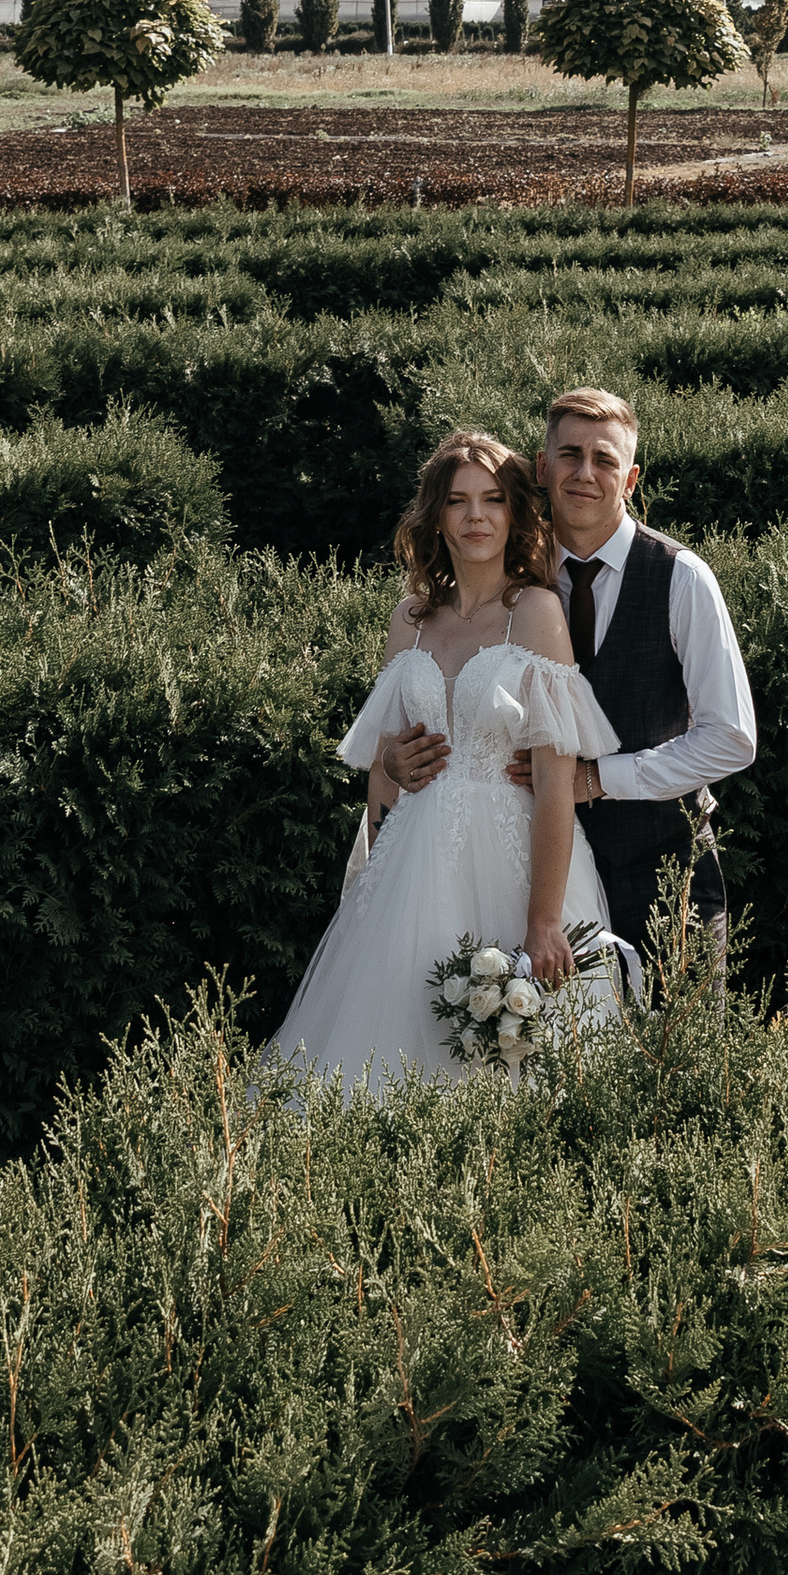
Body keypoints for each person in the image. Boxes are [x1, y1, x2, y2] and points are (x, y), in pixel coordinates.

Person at [264, 429, 623, 1094]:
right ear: (437, 515)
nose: (476, 516)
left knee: (517, 1062)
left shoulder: (537, 612)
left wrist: (543, 921)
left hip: (512, 864)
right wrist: (370, 886)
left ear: (514, 513)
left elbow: (553, 785)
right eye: (458, 501)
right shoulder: (409, 618)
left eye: (492, 500)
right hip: (410, 864)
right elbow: (384, 764)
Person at [377, 385, 755, 970]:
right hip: (513, 877)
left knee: (672, 1055)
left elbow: (731, 737)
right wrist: (397, 761)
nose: (586, 473)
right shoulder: (506, 573)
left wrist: (601, 778)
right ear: (543, 468)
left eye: (605, 459)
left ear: (630, 480)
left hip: (663, 871)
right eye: (571, 456)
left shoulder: (682, 580)